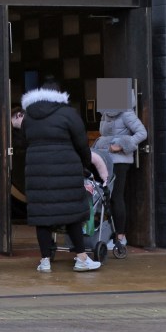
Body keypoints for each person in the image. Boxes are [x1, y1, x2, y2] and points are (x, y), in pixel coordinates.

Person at [20, 82, 101, 273]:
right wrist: (85, 164)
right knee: (72, 213)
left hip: (37, 172)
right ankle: (81, 258)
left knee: (42, 216)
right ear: (59, 94)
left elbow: (24, 142)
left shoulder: (29, 116)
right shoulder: (68, 113)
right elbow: (82, 143)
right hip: (67, 170)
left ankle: (45, 261)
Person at [96, 107, 147, 253]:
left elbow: (142, 133)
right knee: (106, 197)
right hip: (105, 160)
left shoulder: (126, 113)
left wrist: (121, 144)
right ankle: (110, 234)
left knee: (116, 197)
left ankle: (120, 236)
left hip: (119, 162)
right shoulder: (105, 113)